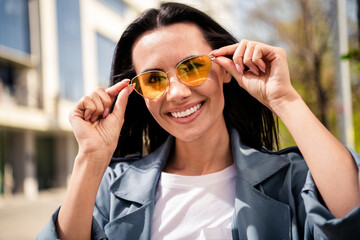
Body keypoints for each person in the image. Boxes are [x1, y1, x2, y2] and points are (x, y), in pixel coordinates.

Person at [38, 2, 360, 239]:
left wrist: (285, 100)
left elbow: (351, 216)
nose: (177, 93)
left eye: (192, 67)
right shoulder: (112, 188)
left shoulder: (291, 179)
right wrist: (91, 158)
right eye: (153, 80)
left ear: (224, 68)